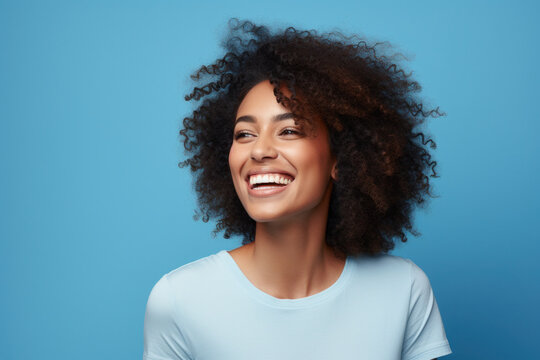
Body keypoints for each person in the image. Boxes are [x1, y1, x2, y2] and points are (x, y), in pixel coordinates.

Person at [143, 18, 452, 360]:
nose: (259, 151)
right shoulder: (180, 300)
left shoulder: (403, 289)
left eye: (289, 131)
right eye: (244, 134)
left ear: (341, 159)